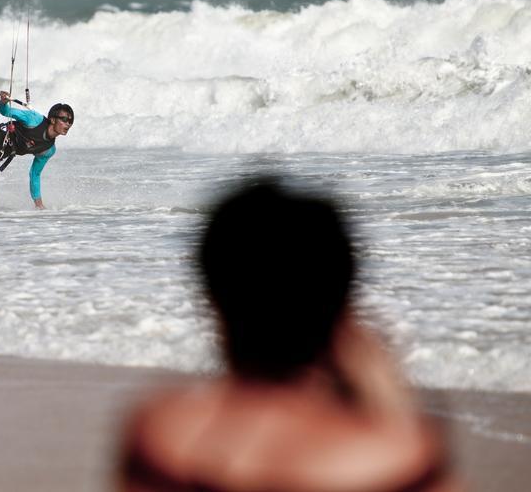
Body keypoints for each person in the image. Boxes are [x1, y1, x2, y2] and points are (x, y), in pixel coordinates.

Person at [118, 178, 462, 492]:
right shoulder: (390, 456)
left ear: (213, 295)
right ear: (341, 298)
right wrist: (391, 408)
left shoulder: (166, 436)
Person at [0, 90, 73, 209]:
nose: (68, 124)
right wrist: (3, 102)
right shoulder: (34, 119)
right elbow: (6, 111)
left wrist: (39, 205)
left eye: (70, 121)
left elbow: (35, 174)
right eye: (64, 119)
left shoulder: (48, 150)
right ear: (52, 119)